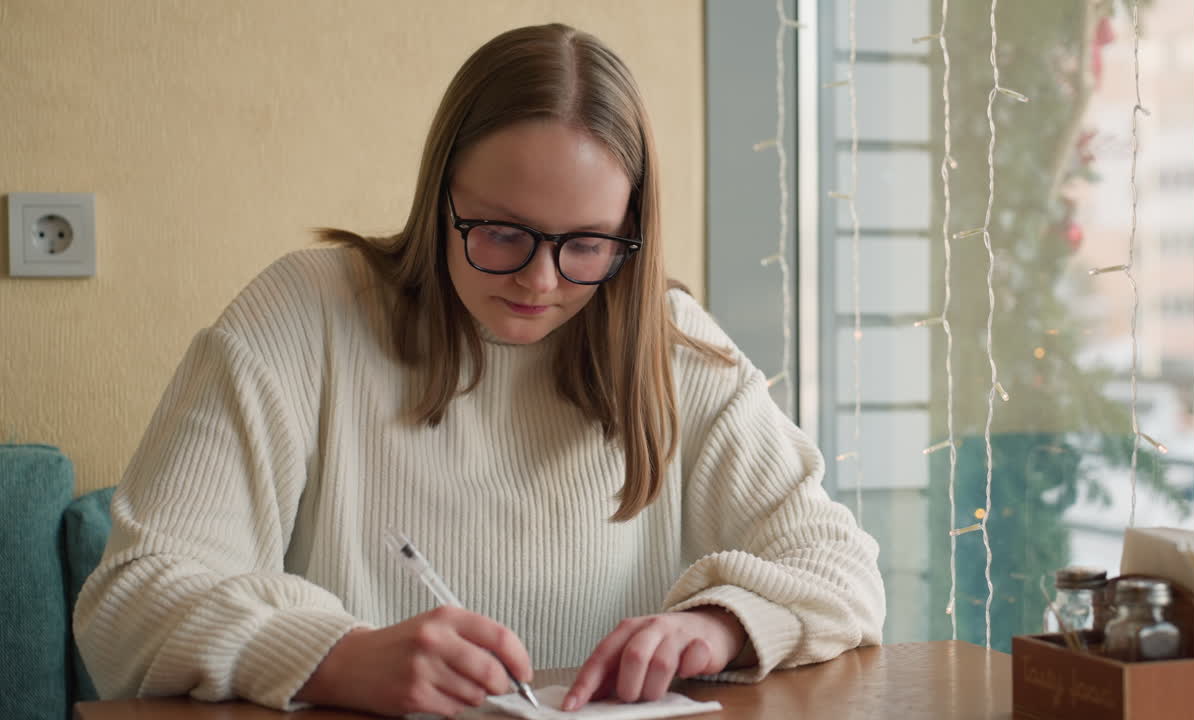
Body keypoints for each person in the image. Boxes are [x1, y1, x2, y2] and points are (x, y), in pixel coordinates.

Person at [74, 22, 885, 718]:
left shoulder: (669, 345)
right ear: (440, 198)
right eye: (501, 232)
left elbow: (842, 571)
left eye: (587, 243)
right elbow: (128, 603)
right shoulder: (305, 315)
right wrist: (337, 657)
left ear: (629, 230)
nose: (540, 281)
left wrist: (721, 626)